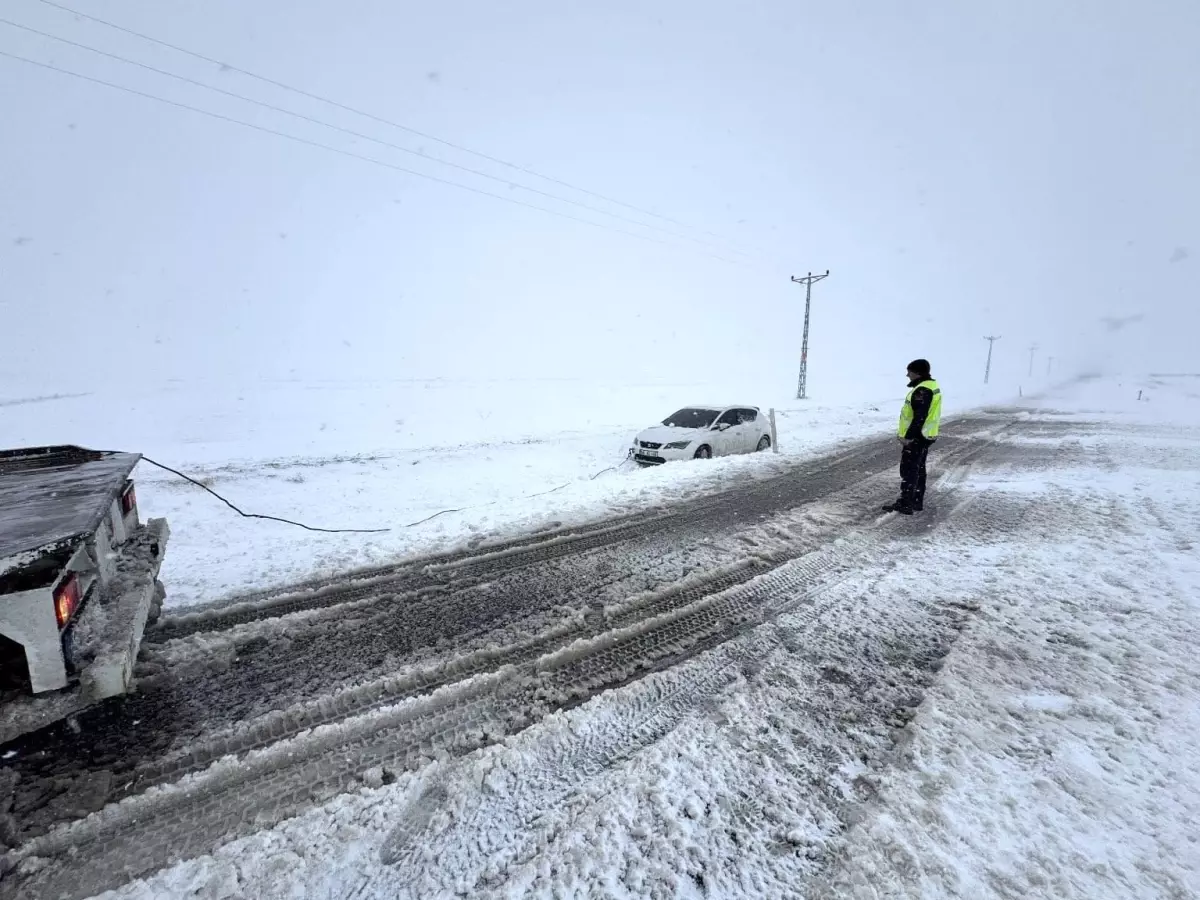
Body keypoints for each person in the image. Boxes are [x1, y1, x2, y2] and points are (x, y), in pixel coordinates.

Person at [882, 359, 941, 515]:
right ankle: (915, 501)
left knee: (909, 470)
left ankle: (906, 502)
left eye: (910, 371)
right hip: (925, 435)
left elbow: (919, 416)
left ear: (918, 373)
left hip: (917, 437)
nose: (907, 374)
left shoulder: (922, 390)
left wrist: (909, 437)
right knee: (918, 468)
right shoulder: (930, 386)